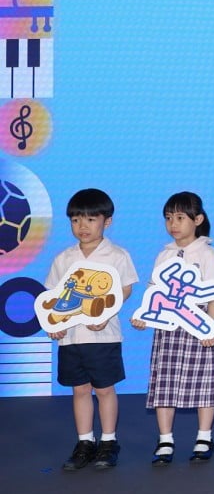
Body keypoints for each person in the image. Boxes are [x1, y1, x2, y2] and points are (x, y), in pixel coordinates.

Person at [46, 188, 139, 471]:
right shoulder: (64, 258)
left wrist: (106, 314)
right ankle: (85, 441)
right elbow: (52, 296)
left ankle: (109, 441)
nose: (82, 226)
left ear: (106, 221)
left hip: (103, 334)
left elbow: (125, 289)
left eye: (90, 219)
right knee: (80, 390)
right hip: (71, 338)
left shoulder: (117, 255)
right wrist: (54, 324)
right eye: (75, 220)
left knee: (105, 389)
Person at [131, 192, 214, 465]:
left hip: (197, 326)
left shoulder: (207, 252)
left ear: (197, 219)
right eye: (168, 218)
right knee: (164, 383)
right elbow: (153, 291)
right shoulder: (165, 254)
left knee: (204, 383)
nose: (173, 223)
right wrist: (143, 316)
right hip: (168, 328)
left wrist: (210, 327)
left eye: (180, 217)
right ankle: (165, 439)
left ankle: (204, 437)